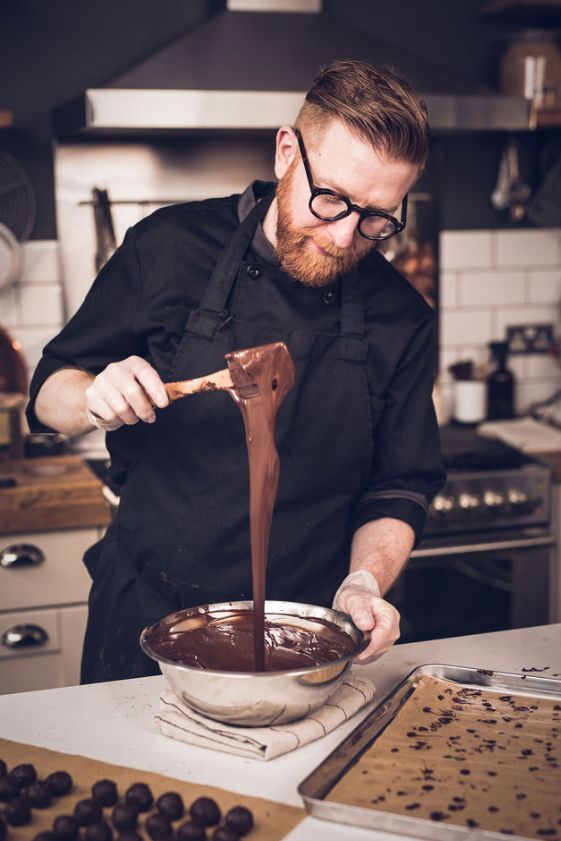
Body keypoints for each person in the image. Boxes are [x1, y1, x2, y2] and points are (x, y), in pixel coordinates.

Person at [28, 59, 445, 683]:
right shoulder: (166, 246)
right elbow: (48, 394)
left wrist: (364, 581)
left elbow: (399, 485)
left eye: (377, 219)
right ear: (285, 152)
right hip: (144, 620)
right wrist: (91, 396)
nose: (344, 235)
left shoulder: (401, 314)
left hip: (305, 633)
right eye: (330, 198)